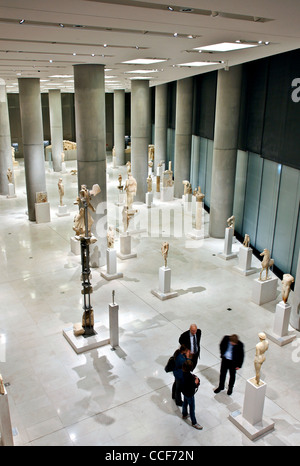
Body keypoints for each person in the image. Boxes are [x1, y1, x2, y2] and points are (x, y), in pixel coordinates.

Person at [181, 360, 202, 430]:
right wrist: (196, 382)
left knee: (185, 403)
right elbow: (193, 386)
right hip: (190, 394)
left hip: (184, 392)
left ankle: (184, 414)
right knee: (192, 408)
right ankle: (194, 422)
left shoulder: (182, 373)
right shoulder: (190, 377)